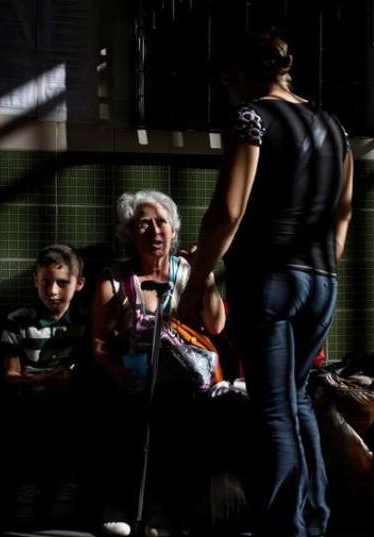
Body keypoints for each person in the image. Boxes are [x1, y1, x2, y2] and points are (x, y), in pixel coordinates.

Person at [177, 31, 354, 537]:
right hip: (322, 279)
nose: (226, 95)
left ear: (236, 75)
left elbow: (228, 212)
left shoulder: (251, 117)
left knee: (272, 406)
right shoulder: (335, 126)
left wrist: (198, 283)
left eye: (225, 84)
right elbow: (342, 217)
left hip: (268, 279)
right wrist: (317, 264)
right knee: (296, 398)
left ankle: (285, 528)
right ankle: (313, 521)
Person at [91, 190, 226, 536]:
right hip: (134, 381)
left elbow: (216, 326)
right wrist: (119, 375)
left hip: (186, 382)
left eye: (161, 222)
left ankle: (163, 512)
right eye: (143, 225)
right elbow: (100, 344)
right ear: (130, 234)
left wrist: (206, 276)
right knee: (130, 418)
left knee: (179, 421)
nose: (154, 231)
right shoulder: (114, 281)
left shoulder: (189, 273)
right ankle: (122, 505)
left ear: (174, 230)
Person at [0, 244, 87, 527]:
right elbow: (11, 375)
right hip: (29, 406)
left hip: (71, 408)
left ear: (79, 284)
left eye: (62, 283)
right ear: (35, 280)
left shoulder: (86, 323)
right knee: (29, 452)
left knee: (71, 449)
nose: (52, 291)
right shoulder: (18, 322)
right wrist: (46, 379)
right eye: (46, 282)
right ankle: (25, 506)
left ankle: (63, 509)